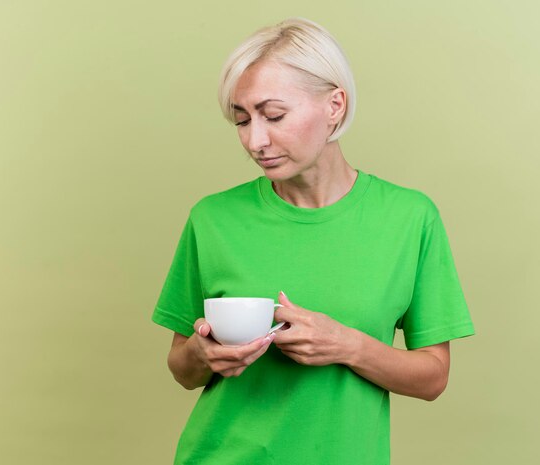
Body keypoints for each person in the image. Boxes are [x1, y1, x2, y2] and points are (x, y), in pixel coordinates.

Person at [152, 17, 475, 465]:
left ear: (334, 106)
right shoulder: (212, 219)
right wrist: (203, 353)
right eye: (242, 120)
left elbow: (433, 377)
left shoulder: (410, 218)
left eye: (274, 115)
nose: (255, 140)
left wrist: (345, 344)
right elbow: (181, 369)